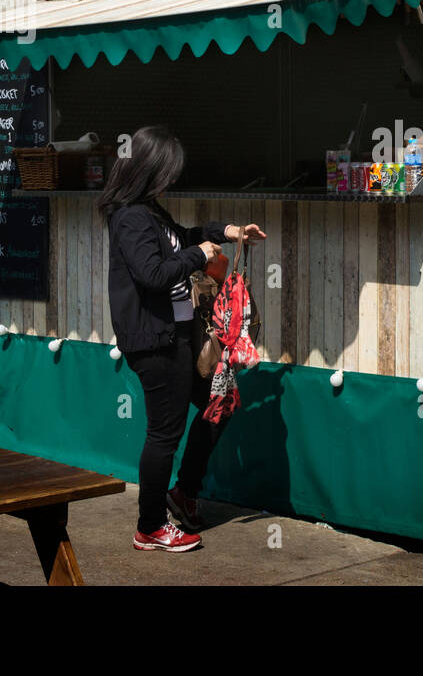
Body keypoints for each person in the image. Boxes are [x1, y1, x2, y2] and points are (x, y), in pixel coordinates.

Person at [98, 125, 266, 552]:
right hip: (153, 342)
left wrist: (225, 232)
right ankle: (150, 526)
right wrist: (199, 256)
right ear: (148, 170)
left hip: (178, 336)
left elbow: (183, 239)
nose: (173, 179)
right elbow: (153, 274)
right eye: (168, 171)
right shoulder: (130, 217)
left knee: (219, 403)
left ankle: (183, 492)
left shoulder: (150, 210)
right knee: (164, 434)